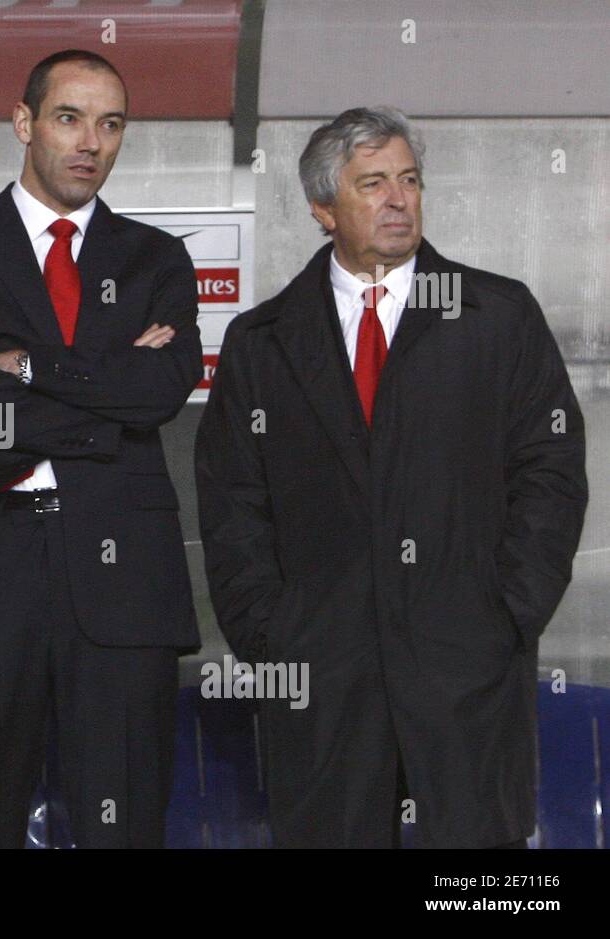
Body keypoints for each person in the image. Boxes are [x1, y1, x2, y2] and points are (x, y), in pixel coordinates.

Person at [195, 106, 587, 848]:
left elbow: (552, 469)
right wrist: (271, 630)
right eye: (372, 183)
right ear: (321, 209)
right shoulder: (263, 343)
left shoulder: (495, 315)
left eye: (408, 180)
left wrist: (507, 611)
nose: (399, 199)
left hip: (465, 666)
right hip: (321, 674)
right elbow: (231, 500)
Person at [0, 50, 202, 848]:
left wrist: (29, 366)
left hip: (124, 567)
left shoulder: (156, 258)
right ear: (24, 124)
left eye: (111, 123)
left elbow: (160, 392)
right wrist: (106, 400)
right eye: (69, 118)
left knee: (124, 818)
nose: (90, 141)